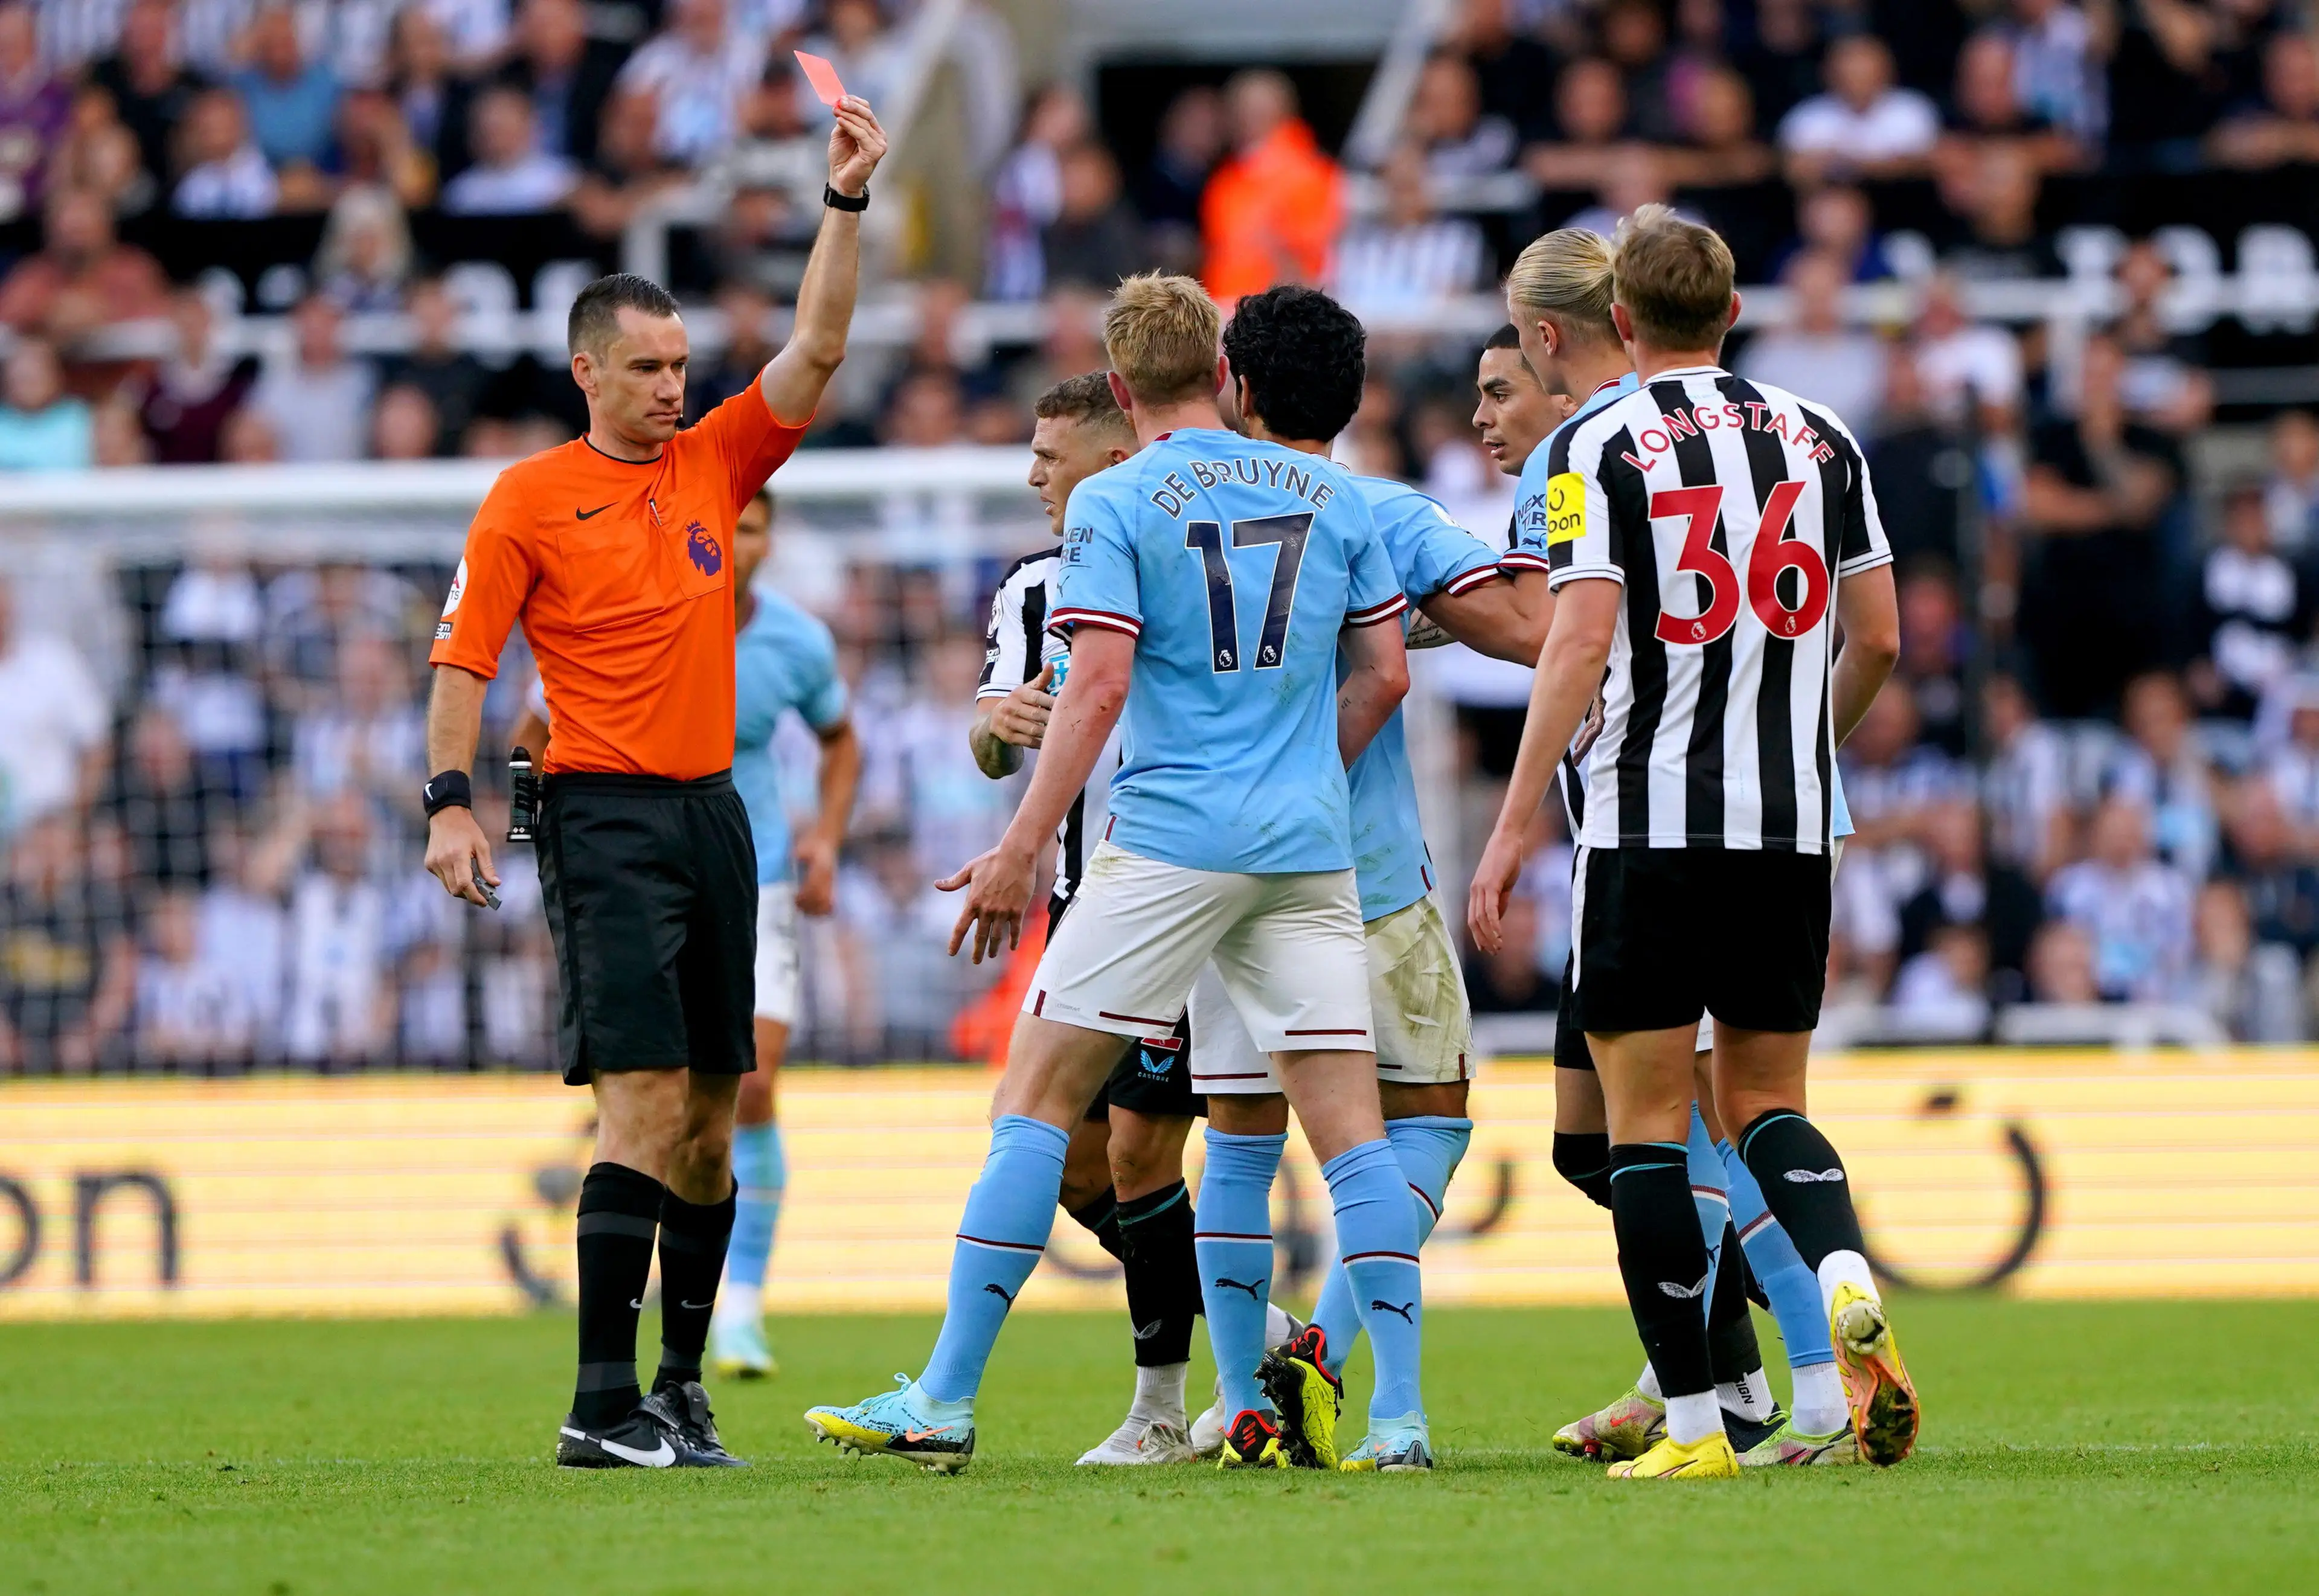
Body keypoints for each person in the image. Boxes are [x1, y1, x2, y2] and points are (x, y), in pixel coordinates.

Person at [804, 272, 1420, 1475]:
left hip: (1171, 840)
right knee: (1353, 1141)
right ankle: (1396, 1420)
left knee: (1031, 1103)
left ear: (1123, 390)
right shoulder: (1332, 494)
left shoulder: (1118, 498)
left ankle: (942, 1395)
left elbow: (1093, 686)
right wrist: (1298, 771)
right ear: (1230, 380)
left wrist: (1026, 848)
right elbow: (1388, 675)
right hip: (1306, 846)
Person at [421, 94, 888, 1471]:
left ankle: (679, 1389)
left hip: (713, 816)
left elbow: (821, 343)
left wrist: (844, 204)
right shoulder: (525, 500)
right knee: (636, 1104)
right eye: (648, 369)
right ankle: (597, 1403)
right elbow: (463, 663)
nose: (674, 386)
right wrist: (451, 803)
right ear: (587, 373)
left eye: (683, 365)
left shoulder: (716, 462)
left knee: (709, 1116)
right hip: (603, 815)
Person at [1469, 205, 1912, 1478]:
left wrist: (1509, 831)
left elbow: (1579, 639)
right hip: (1785, 829)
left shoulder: (1589, 443)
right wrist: (1801, 747)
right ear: (1733, 310)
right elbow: (1876, 635)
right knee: (1770, 1105)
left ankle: (1699, 1426)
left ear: (1619, 319)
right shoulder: (1824, 435)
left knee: (1646, 1132)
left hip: (1649, 821)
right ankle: (1837, 1287)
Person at [1174, 283, 1549, 1472]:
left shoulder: (1172, 512)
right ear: (1354, 398)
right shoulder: (1380, 509)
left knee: (1236, 1146)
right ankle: (1380, 1400)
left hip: (1219, 876)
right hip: (1365, 873)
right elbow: (1527, 629)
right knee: (1413, 1131)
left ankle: (1246, 1406)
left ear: (1235, 384)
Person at [513, 487, 862, 1381]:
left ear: (770, 540)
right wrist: (542, 835)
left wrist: (826, 836)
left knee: (745, 1091)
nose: (740, 543)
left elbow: (840, 739)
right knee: (658, 1106)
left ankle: (737, 1307)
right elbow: (533, 725)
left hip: (763, 881)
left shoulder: (795, 640)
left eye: (754, 529)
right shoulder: (630, 613)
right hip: (642, 878)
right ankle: (654, 1340)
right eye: (729, 526)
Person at [967, 371, 1233, 1466]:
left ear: (1116, 461)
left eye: (1051, 457)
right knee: (1076, 1162)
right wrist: (1002, 720)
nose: (1033, 476)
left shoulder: (1201, 562)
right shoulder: (1029, 588)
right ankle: (1255, 1339)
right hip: (1083, 905)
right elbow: (988, 737)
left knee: (1137, 1150)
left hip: (1185, 888)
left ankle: (1164, 1406)